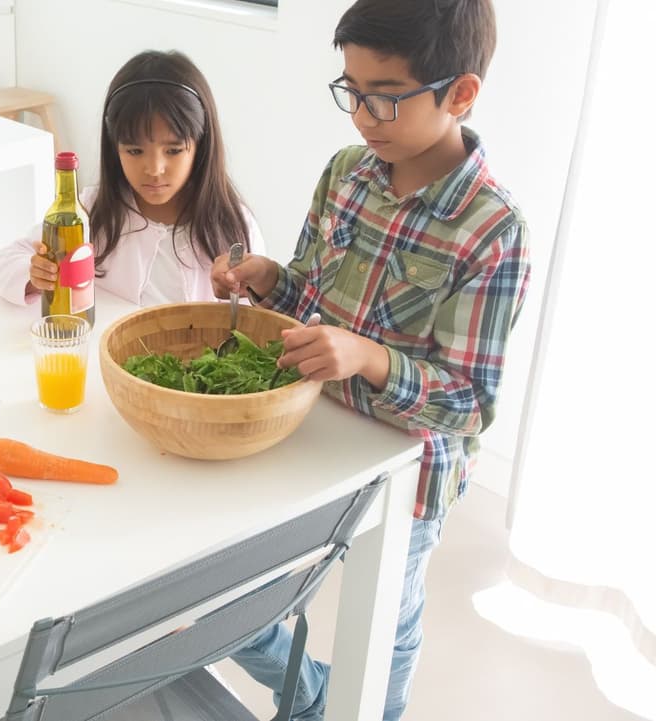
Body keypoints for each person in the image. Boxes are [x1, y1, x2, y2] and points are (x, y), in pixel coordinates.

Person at [215, 1, 531, 718]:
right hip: (305, 430)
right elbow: (307, 299)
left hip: (406, 473)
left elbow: (468, 404)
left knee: (384, 624)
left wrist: (368, 358)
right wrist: (270, 280)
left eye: (384, 97)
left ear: (461, 93)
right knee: (227, 598)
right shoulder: (347, 174)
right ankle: (314, 693)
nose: (360, 115)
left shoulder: (493, 231)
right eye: (350, 90)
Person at [0, 49, 262, 306]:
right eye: (135, 150)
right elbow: (7, 261)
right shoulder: (91, 211)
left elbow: (261, 312)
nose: (155, 168)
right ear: (115, 148)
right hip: (110, 350)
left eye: (174, 150)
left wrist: (246, 290)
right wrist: (35, 276)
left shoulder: (231, 223)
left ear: (201, 145)